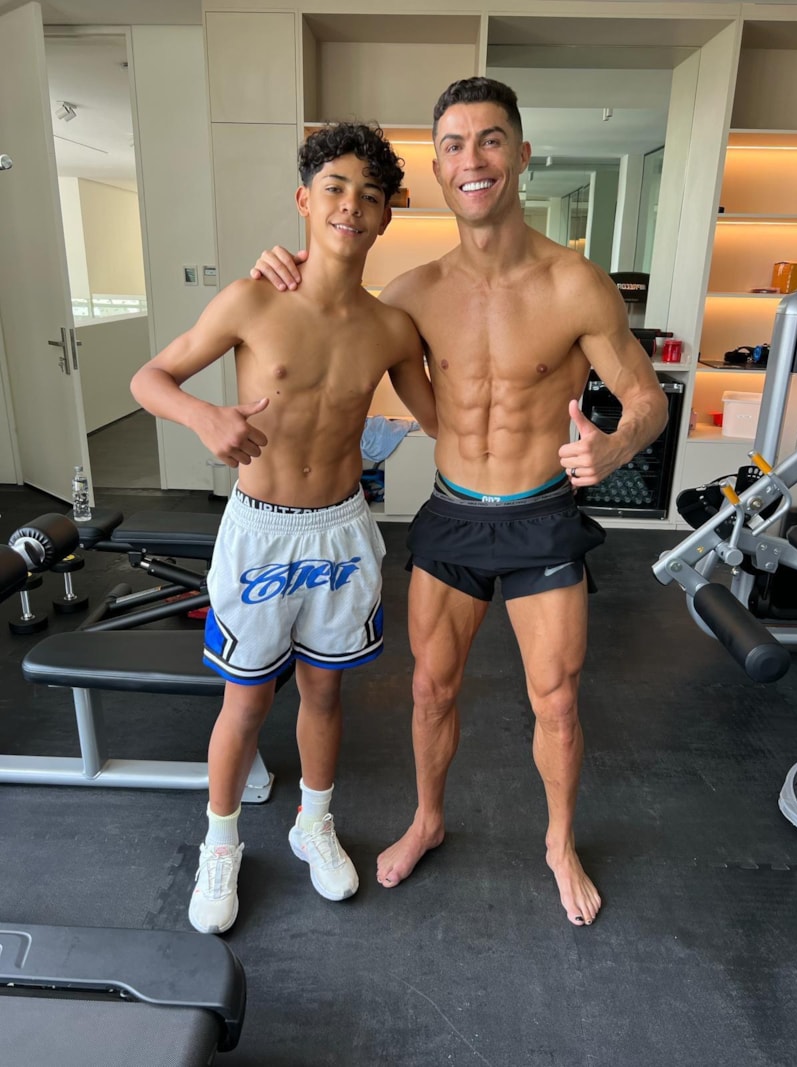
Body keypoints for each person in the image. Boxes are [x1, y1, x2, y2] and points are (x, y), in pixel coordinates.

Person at [251, 77, 668, 927]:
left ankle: (559, 842)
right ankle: (428, 819)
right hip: (452, 512)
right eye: (452, 144)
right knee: (431, 691)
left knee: (557, 698)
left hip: (541, 513)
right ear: (437, 171)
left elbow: (647, 398)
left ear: (521, 154)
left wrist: (617, 443)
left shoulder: (575, 284)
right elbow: (328, 312)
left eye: (489, 139)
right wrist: (279, 270)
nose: (471, 158)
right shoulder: (411, 295)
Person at [130, 123, 436, 934]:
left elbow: (447, 419)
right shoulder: (252, 299)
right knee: (246, 698)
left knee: (325, 690)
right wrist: (203, 416)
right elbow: (150, 377)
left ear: (385, 217)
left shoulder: (392, 327)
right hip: (260, 528)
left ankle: (314, 823)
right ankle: (221, 842)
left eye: (371, 195)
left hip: (340, 529)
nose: (351, 205)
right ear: (305, 200)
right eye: (335, 187)